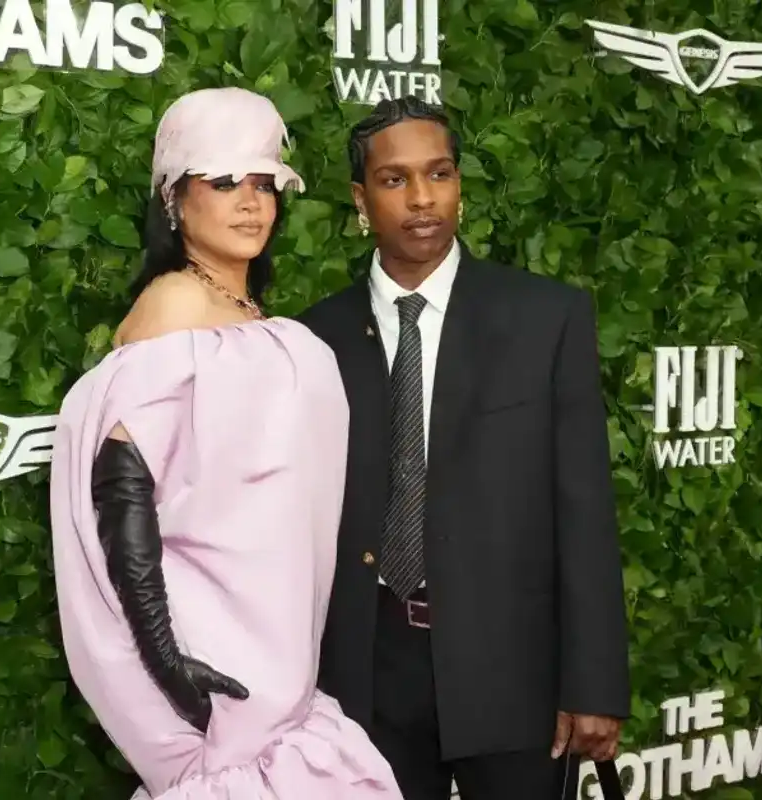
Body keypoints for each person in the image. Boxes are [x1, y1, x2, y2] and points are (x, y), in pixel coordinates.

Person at [47, 87, 403, 800]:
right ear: (174, 200)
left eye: (264, 183)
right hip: (214, 644)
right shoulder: (175, 304)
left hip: (274, 644)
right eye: (223, 181)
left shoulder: (251, 317)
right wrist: (164, 654)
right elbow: (123, 484)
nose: (251, 202)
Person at [297, 95, 631, 799]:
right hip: (367, 676)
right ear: (360, 200)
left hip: (515, 673)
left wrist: (594, 683)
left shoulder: (545, 318)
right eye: (394, 179)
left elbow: (584, 511)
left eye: (439, 174)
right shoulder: (313, 339)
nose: (422, 198)